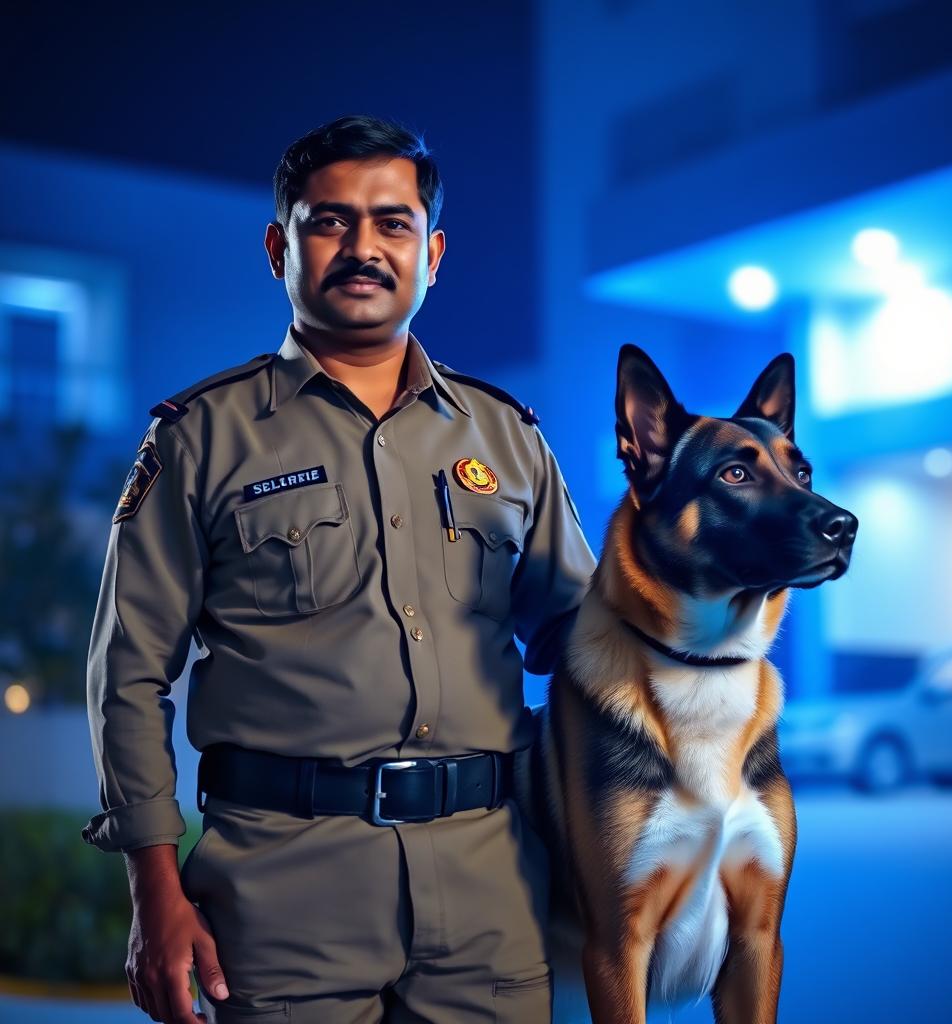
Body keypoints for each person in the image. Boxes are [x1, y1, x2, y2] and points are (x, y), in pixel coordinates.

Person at [81, 114, 597, 1024]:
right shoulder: (201, 438)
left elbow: (586, 638)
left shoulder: (508, 440)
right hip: (281, 902)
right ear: (280, 246)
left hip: (489, 900)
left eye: (393, 223)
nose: (364, 247)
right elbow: (127, 678)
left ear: (433, 252)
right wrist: (153, 893)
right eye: (330, 222)